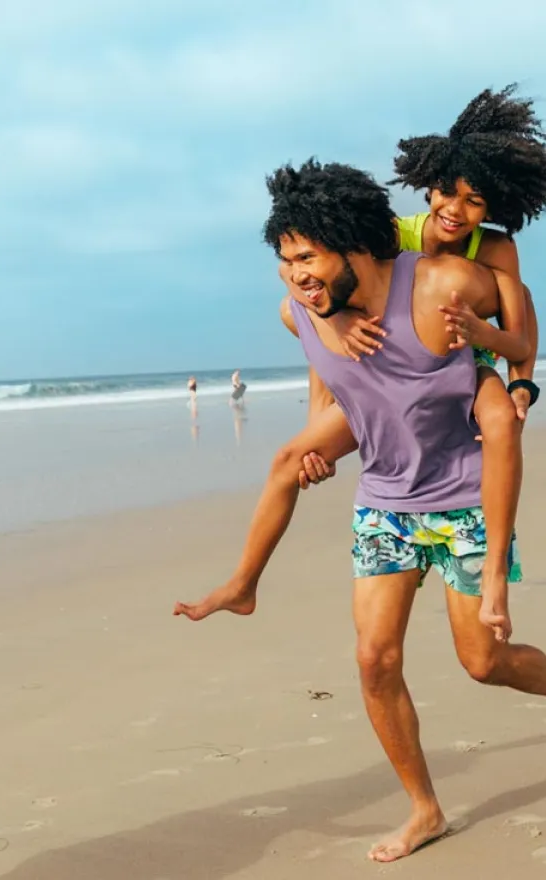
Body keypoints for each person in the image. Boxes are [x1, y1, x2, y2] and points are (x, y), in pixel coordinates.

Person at [177, 159, 546, 863]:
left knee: (485, 661)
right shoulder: (301, 310)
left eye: (308, 256)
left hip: (464, 494)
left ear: (352, 242)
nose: (295, 274)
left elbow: (521, 342)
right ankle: (425, 808)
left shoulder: (444, 283)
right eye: (285, 260)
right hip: (386, 499)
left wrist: (507, 381)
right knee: (375, 660)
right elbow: (335, 377)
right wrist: (323, 433)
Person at [177, 85, 545, 642]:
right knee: (288, 459)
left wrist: (522, 386)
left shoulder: (493, 251)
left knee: (499, 425)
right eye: (447, 193)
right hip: (386, 377)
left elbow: (522, 323)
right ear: (428, 187)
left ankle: (494, 570)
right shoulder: (391, 237)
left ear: (494, 208)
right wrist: (334, 323)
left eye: (475, 201)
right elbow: (317, 299)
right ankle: (243, 583)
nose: (455, 210)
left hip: (469, 359)